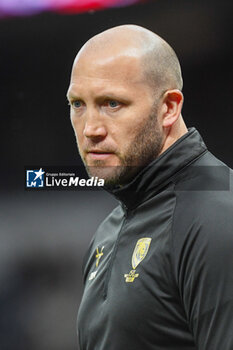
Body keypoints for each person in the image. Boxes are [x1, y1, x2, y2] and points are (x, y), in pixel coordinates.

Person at [66, 25, 233, 350]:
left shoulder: (218, 217)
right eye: (77, 104)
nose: (90, 129)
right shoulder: (112, 227)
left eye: (112, 103)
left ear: (169, 108)